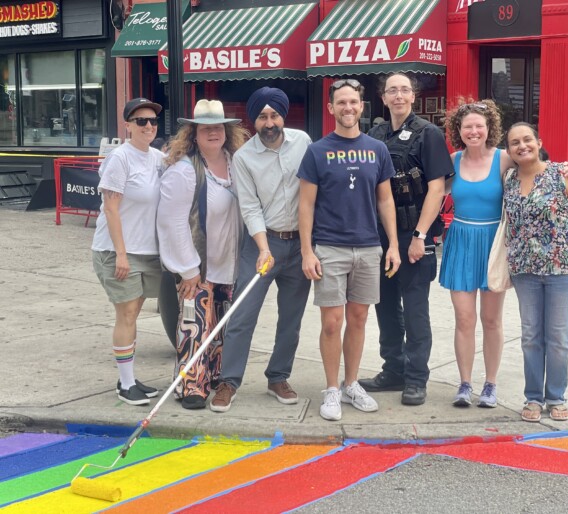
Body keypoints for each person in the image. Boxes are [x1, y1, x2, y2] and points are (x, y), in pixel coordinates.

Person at [440, 100, 568, 409]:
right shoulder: (451, 161)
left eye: (479, 125)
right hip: (461, 242)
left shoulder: (504, 159)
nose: (474, 131)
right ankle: (464, 384)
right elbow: (434, 193)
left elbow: (537, 168)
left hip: (496, 245)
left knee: (491, 319)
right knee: (464, 318)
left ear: (489, 128)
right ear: (458, 131)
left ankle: (490, 385)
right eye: (467, 127)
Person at [298, 79, 401, 421]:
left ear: (361, 106)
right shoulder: (317, 151)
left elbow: (385, 200)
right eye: (341, 102)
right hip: (329, 247)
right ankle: (330, 389)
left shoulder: (377, 149)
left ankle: (351, 383)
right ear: (330, 108)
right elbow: (306, 205)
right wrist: (307, 252)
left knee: (358, 319)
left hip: (369, 247)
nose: (348, 108)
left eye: (353, 102)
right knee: (332, 322)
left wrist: (393, 246)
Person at [210, 87, 312, 413]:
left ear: (283, 116)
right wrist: (264, 248)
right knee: (242, 312)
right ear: (254, 120)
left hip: (300, 245)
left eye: (274, 115)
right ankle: (229, 381)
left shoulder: (303, 143)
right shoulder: (243, 158)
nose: (269, 123)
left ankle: (278, 377)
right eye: (262, 117)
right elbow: (250, 207)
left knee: (291, 317)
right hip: (262, 244)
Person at [359, 73, 453, 406]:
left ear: (413, 96)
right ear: (383, 98)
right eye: (391, 91)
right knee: (384, 305)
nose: (398, 96)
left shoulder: (429, 134)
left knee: (415, 310)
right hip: (380, 235)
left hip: (414, 233)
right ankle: (394, 369)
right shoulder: (375, 134)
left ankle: (416, 378)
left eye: (404, 90)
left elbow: (437, 188)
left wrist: (420, 235)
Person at [157, 100, 248, 410]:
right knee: (195, 328)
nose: (213, 132)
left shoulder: (236, 162)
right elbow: (172, 223)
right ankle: (192, 385)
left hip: (230, 264)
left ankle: (215, 379)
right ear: (193, 133)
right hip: (199, 265)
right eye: (205, 128)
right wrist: (188, 269)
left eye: (218, 127)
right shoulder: (183, 171)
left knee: (221, 328)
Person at [503, 122, 568, 422]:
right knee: (531, 336)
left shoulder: (562, 175)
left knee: (558, 336)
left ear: (539, 142)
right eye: (515, 142)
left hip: (562, 269)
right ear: (509, 150)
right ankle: (533, 398)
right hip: (524, 270)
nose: (522, 146)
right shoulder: (509, 178)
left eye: (527, 139)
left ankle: (556, 397)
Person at [91, 97, 164, 406]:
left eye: (152, 121)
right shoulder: (119, 158)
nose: (148, 126)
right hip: (118, 251)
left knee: (134, 314)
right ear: (128, 126)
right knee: (127, 314)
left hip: (148, 251)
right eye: (141, 121)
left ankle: (130, 378)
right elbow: (111, 208)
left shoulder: (158, 157)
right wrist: (121, 254)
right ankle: (125, 383)